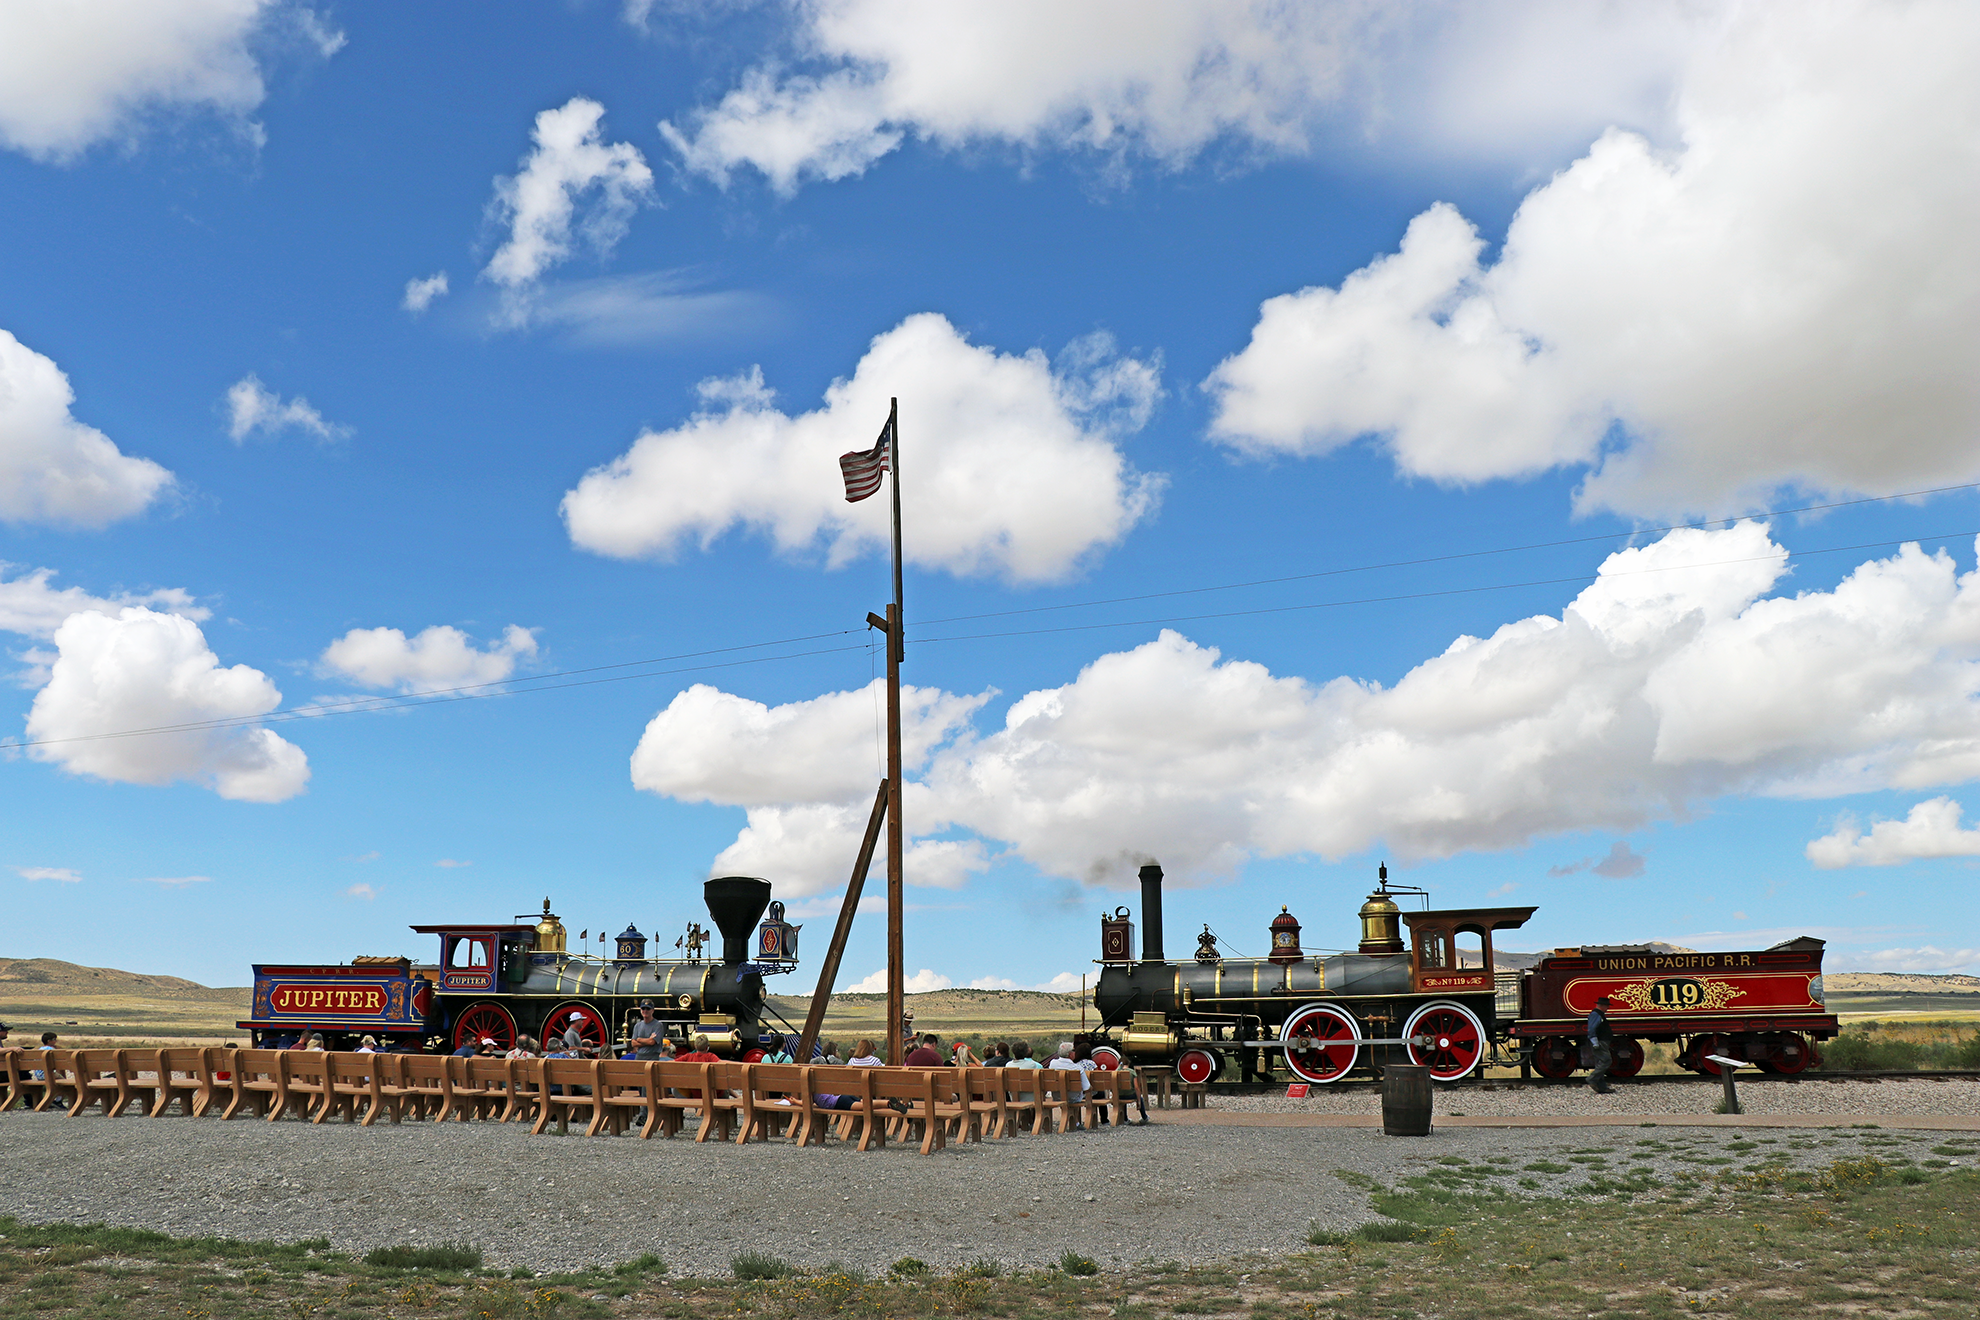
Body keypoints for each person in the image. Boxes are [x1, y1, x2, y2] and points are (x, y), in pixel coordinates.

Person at [1049, 1041, 1089, 1130]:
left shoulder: (1052, 1064)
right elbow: (1086, 1087)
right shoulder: (1077, 1068)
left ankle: (1076, 1122)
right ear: (1070, 1054)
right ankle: (1077, 1122)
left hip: (1057, 1096)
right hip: (1073, 1098)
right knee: (1079, 1094)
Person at [1586, 996, 1615, 1095]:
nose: (1608, 1008)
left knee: (1600, 1063)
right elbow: (1592, 1029)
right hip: (1600, 1042)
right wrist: (1595, 1042)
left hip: (1601, 1041)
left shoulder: (1599, 1014)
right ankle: (1592, 1079)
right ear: (1602, 1006)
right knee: (1606, 1060)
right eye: (1607, 1006)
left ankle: (1601, 1087)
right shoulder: (1596, 1015)